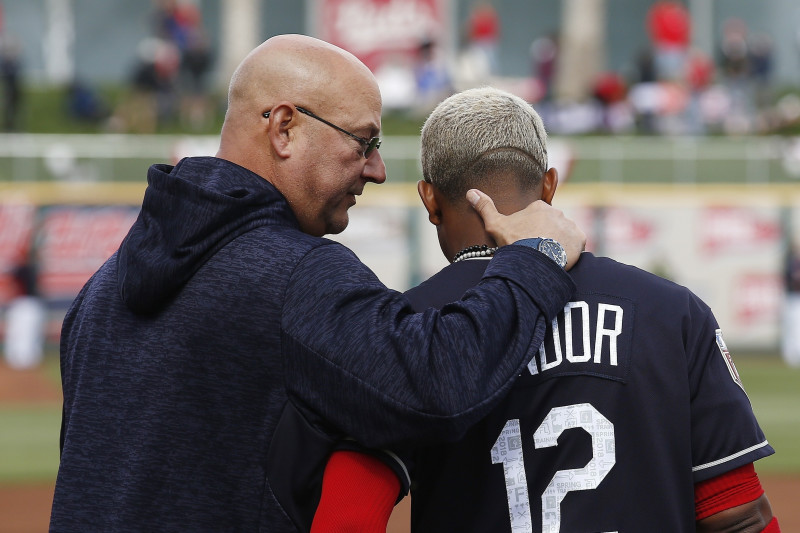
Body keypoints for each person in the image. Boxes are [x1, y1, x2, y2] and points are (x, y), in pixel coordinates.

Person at [49, 35, 586, 532]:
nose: (375, 170)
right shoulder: (292, 274)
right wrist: (536, 256)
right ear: (284, 127)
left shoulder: (103, 288)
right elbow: (438, 383)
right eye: (363, 142)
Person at [311, 87, 781, 532]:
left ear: (430, 200)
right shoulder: (675, 312)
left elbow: (345, 518)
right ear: (550, 186)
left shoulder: (403, 328)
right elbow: (737, 516)